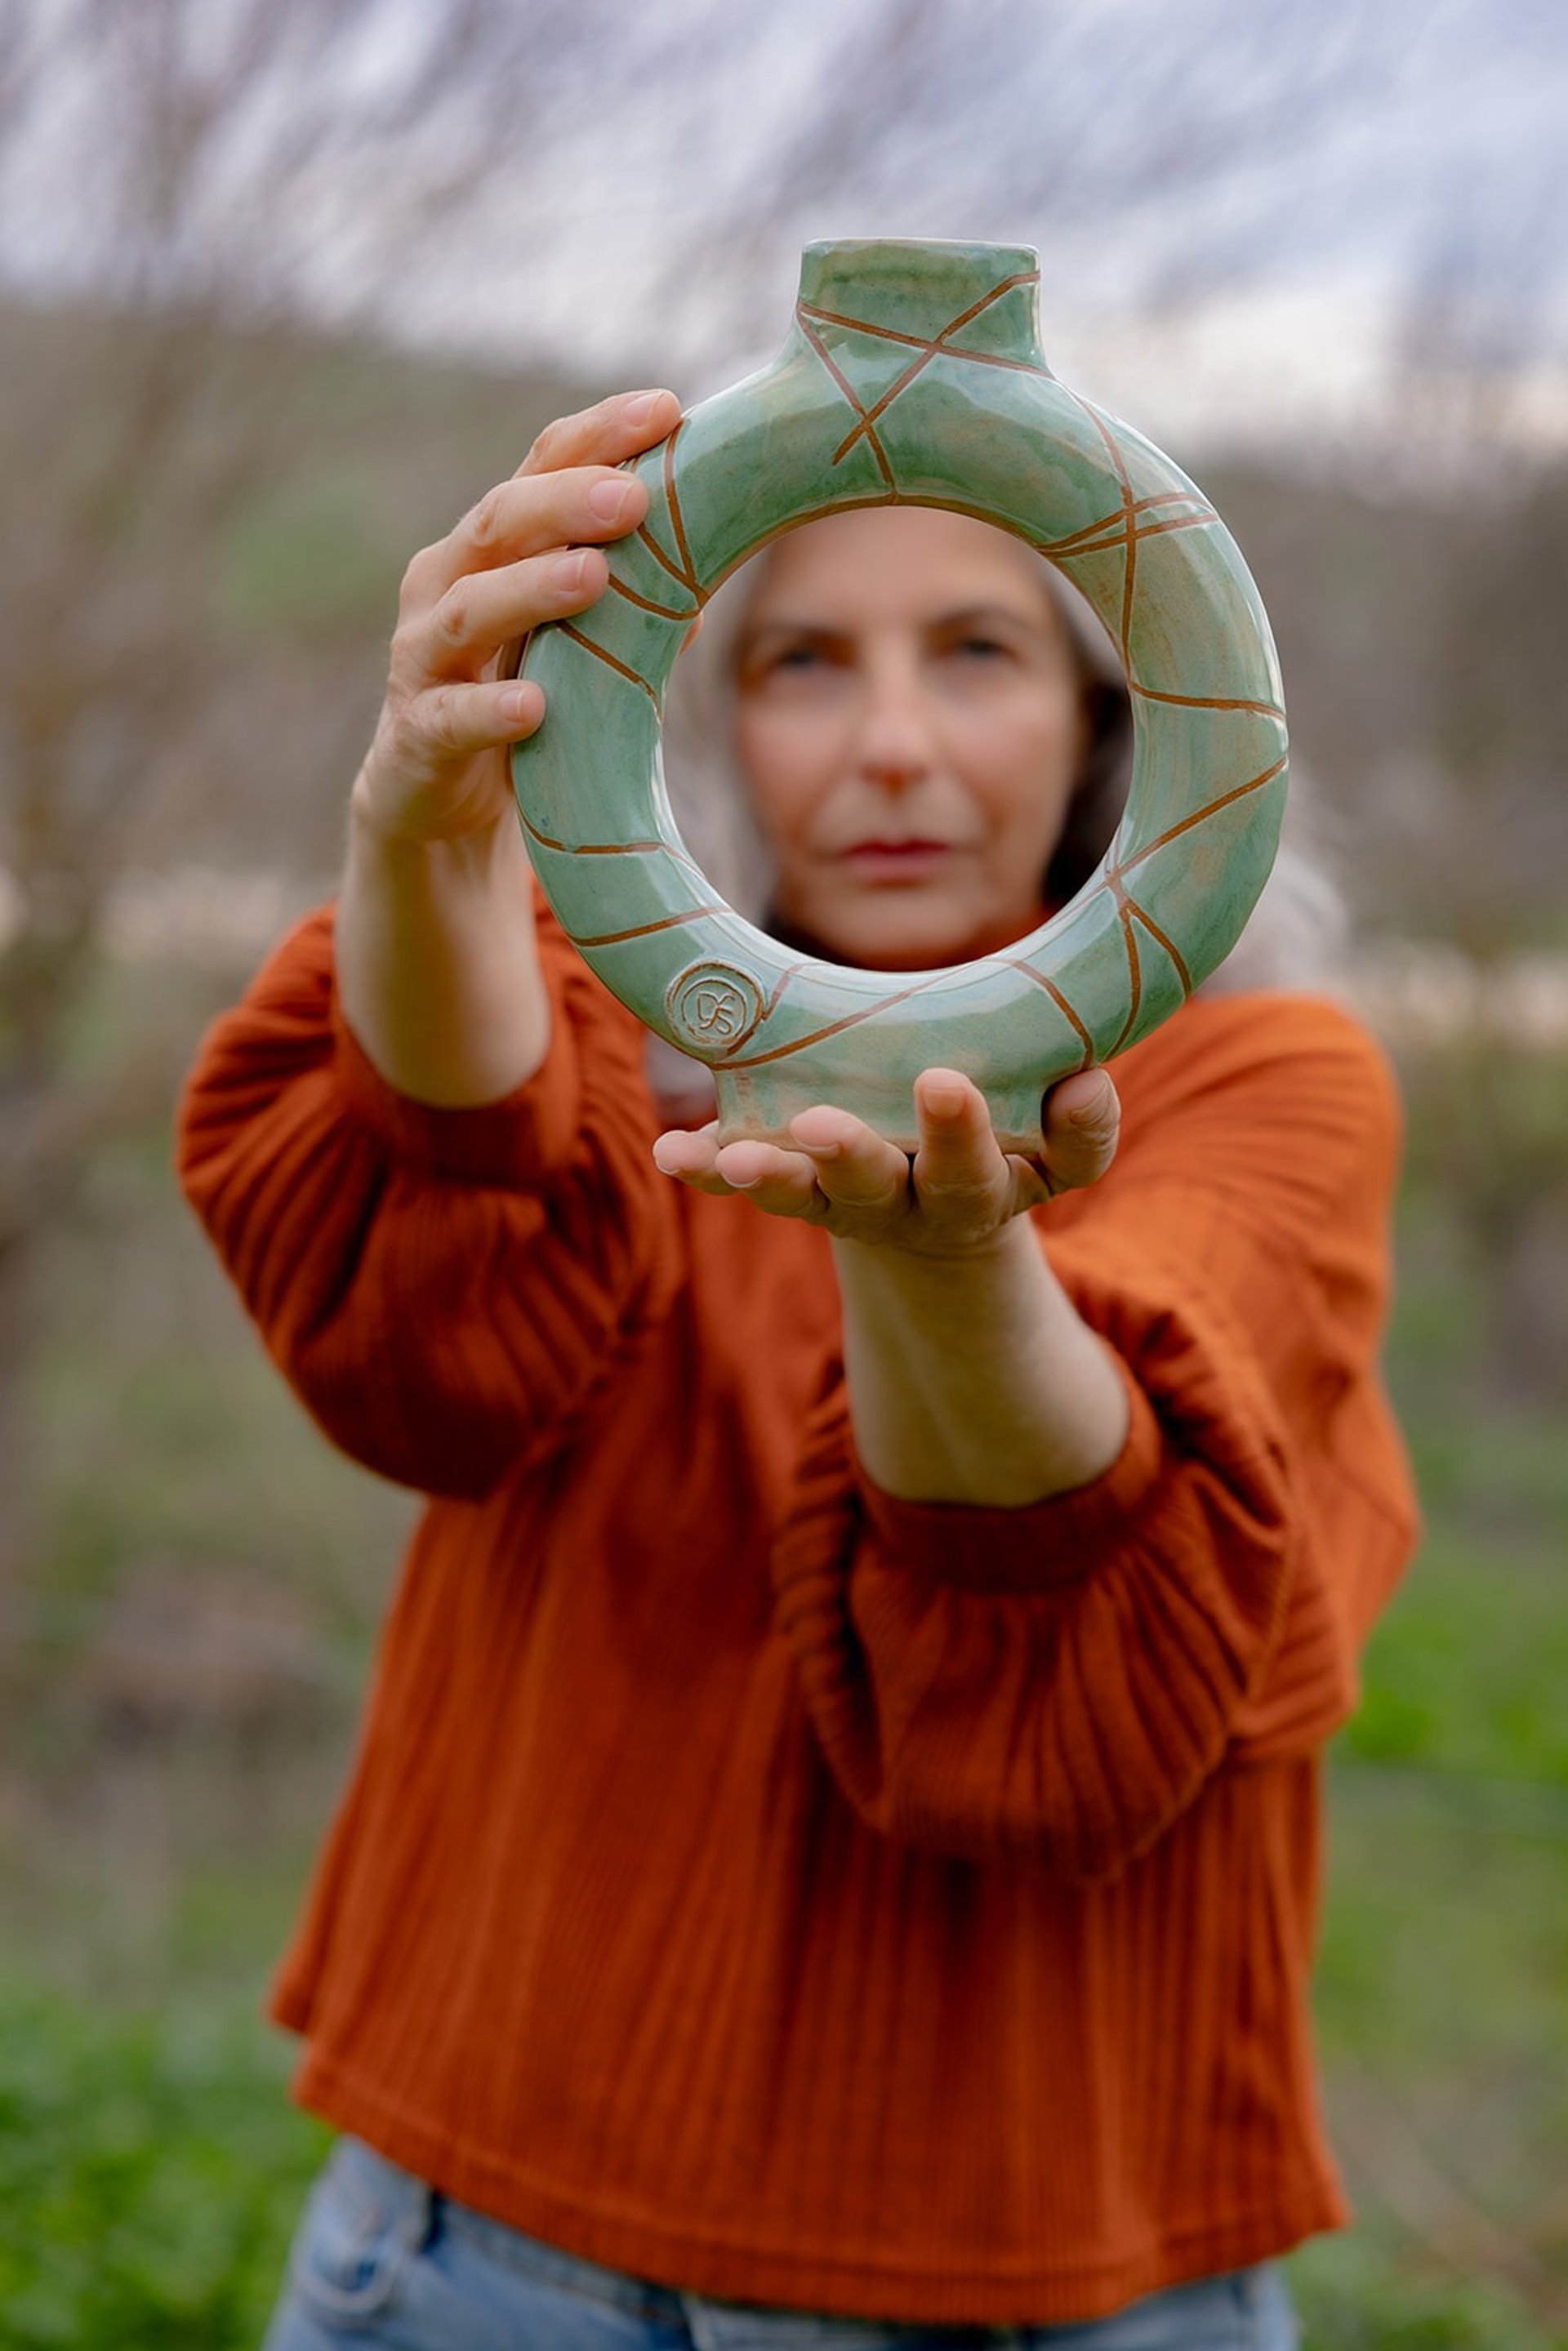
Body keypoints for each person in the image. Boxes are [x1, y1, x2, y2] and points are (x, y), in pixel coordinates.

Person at [178, 389, 1419, 2349]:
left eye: (981, 649)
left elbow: (1089, 1598)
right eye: (805, 658)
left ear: (1119, 711)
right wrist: (419, 826)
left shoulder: (1252, 1082)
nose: (892, 743)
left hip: (1057, 2293)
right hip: (480, 2265)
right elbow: (424, 1341)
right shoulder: (595, 1021)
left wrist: (944, 1271)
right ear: (705, 713)